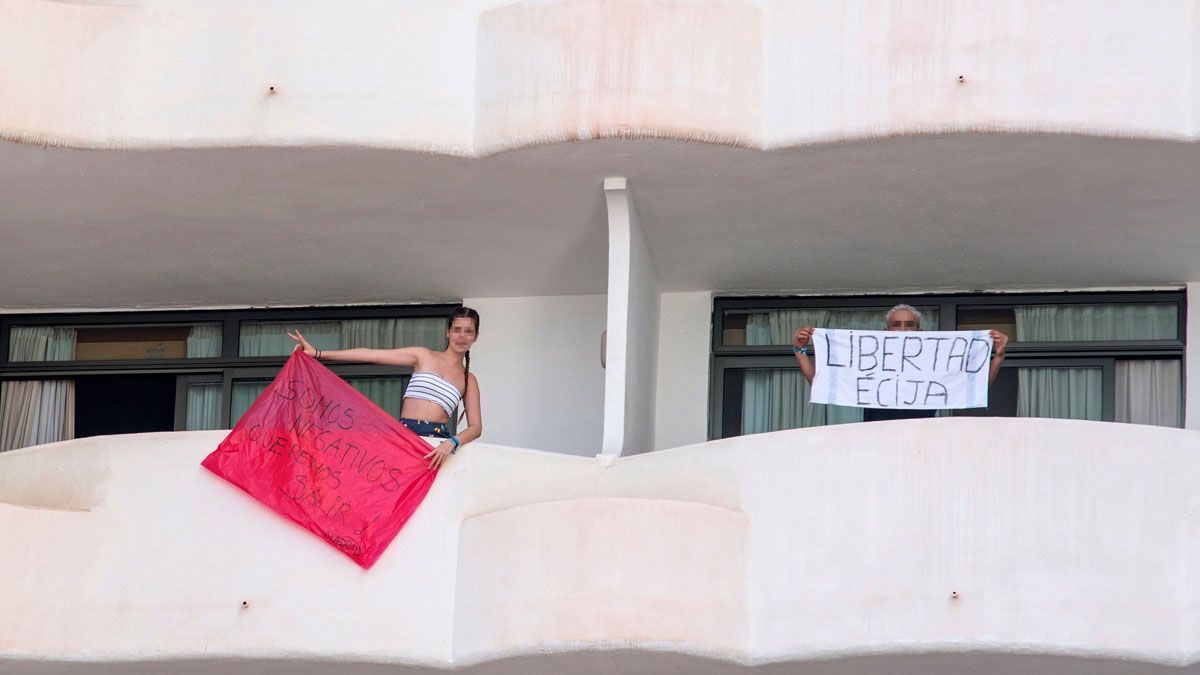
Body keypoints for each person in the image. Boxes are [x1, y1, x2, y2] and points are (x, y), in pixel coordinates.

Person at [288, 307, 482, 469]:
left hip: (437, 444)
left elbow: (476, 427)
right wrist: (319, 353)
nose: (462, 336)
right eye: (457, 329)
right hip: (405, 435)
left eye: (468, 331)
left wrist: (452, 442)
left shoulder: (469, 379)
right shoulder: (423, 356)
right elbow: (370, 354)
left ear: (476, 336)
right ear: (448, 332)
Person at [791, 304, 1008, 421]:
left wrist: (997, 357)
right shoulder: (871, 357)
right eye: (897, 325)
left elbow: (972, 388)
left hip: (921, 443)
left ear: (919, 331)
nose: (903, 330)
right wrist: (801, 350)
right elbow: (827, 385)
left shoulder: (932, 359)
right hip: (876, 441)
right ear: (886, 331)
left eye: (909, 325)